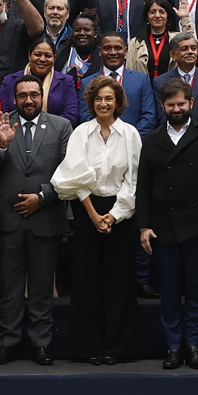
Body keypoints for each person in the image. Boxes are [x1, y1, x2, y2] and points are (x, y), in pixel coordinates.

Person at [138, 74, 198, 370]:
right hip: (164, 226)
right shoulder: (152, 139)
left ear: (191, 103)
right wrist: (143, 226)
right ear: (163, 106)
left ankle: (193, 345)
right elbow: (143, 186)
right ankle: (173, 347)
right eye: (171, 105)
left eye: (182, 103)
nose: (177, 109)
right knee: (168, 292)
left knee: (195, 290)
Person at [51, 77, 142, 364]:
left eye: (109, 99)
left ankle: (116, 348)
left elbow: (133, 181)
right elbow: (75, 176)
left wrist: (113, 215)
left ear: (118, 103)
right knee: (86, 281)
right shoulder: (81, 133)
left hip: (120, 213)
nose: (104, 103)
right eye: (99, 99)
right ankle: (88, 347)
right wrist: (93, 215)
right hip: (86, 208)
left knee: (119, 283)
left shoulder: (130, 134)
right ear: (92, 102)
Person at [0, 75, 73, 366]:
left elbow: (67, 172)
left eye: (34, 95)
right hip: (8, 218)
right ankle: (7, 343)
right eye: (23, 95)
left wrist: (42, 198)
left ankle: (41, 345)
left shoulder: (61, 126)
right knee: (9, 287)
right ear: (15, 98)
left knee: (41, 287)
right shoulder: (0, 123)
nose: (29, 100)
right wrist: (1, 145)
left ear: (42, 97)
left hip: (46, 216)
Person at [80, 34, 158, 138]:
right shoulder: (87, 82)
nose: (112, 53)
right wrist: (103, 138)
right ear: (100, 51)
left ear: (125, 51)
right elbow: (85, 116)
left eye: (118, 48)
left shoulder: (141, 80)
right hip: (98, 143)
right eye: (107, 48)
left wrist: (132, 139)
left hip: (133, 143)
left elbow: (149, 115)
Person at [0, 37, 80, 127]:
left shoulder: (66, 81)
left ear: (54, 58)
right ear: (29, 55)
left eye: (48, 56)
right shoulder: (9, 81)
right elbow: (4, 115)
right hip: (16, 134)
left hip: (55, 136)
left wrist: (43, 132)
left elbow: (71, 116)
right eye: (38, 54)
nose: (42, 59)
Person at [127, 0, 187, 81]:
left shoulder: (177, 39)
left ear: (168, 16)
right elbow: (129, 71)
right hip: (144, 92)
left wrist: (185, 18)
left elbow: (192, 44)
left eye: (162, 12)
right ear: (147, 17)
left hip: (171, 91)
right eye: (152, 12)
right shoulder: (135, 42)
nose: (157, 15)